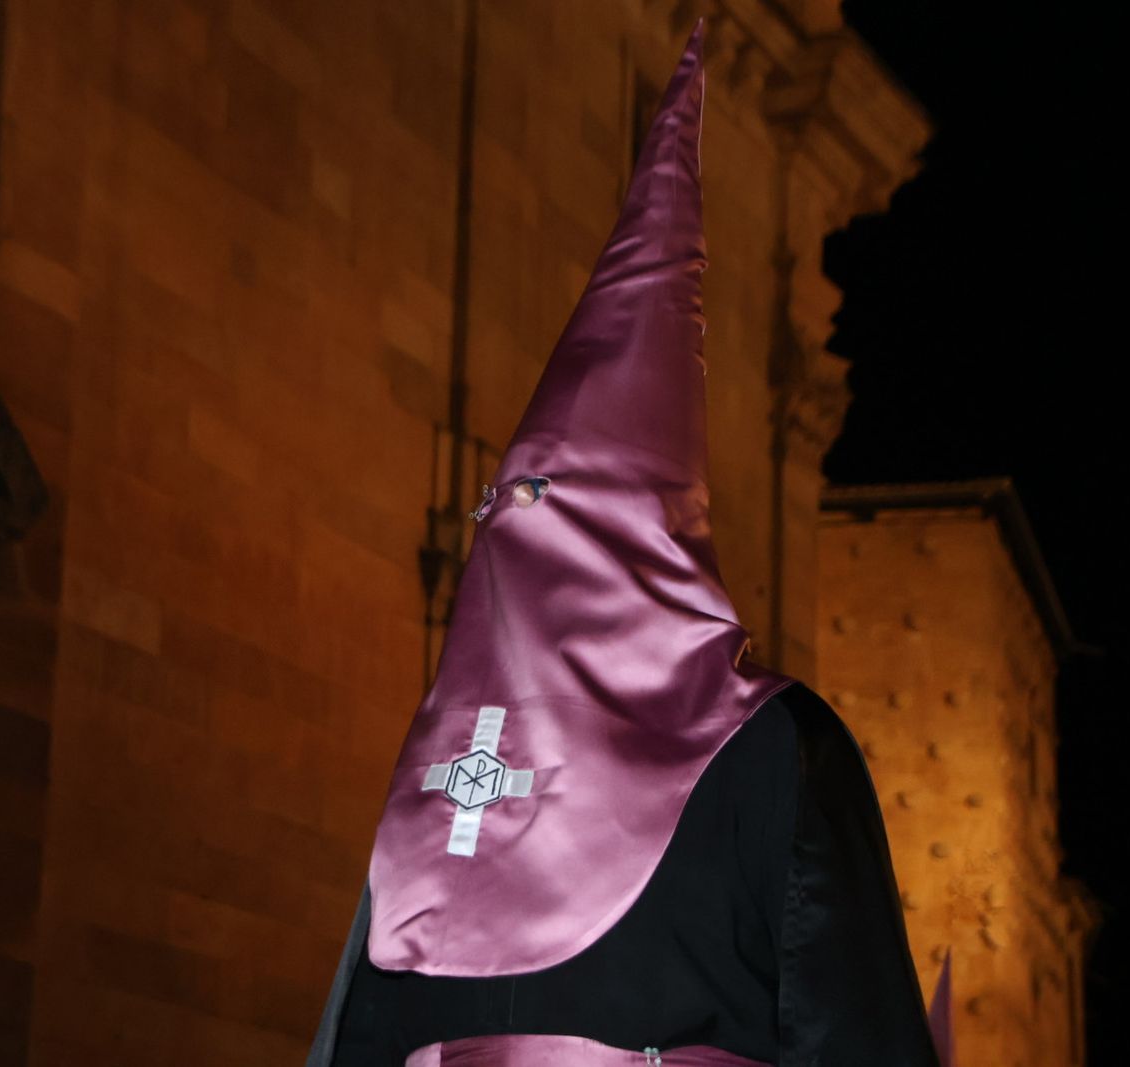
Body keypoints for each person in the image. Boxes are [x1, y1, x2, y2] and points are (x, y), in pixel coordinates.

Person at [307, 19, 940, 1067]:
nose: (518, 551)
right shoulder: (448, 766)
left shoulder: (770, 751)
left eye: (550, 513)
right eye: (509, 514)